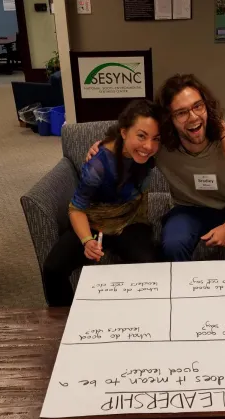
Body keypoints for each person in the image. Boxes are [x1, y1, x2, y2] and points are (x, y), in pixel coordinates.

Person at [87, 74, 225, 262]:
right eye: (181, 113)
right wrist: (105, 147)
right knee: (172, 246)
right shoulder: (161, 146)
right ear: (168, 119)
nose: (193, 117)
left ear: (207, 107)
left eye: (198, 106)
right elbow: (133, 134)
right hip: (187, 209)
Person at [43, 99, 162, 306]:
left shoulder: (153, 152)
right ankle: (65, 323)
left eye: (156, 138)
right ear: (124, 132)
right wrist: (87, 241)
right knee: (53, 269)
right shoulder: (98, 166)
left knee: (151, 265)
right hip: (94, 222)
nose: (149, 146)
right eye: (141, 136)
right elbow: (76, 208)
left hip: (131, 221)